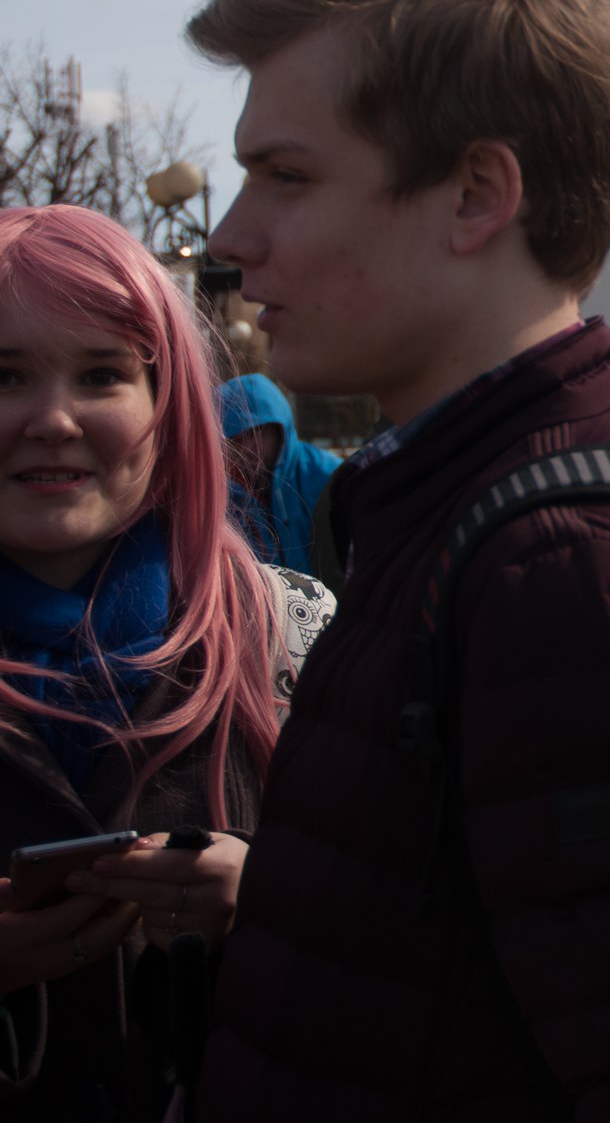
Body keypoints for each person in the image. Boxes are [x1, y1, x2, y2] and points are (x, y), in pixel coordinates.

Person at [181, 0, 610, 1120]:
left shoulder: (568, 578)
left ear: (478, 193)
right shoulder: (480, 511)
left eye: (285, 174)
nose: (230, 237)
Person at [0, 205, 331, 1121]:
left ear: (168, 403)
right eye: (5, 376)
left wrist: (273, 905)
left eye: (102, 373)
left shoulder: (298, 638)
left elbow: (437, 950)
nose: (53, 418)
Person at [214, 373, 339, 575]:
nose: (247, 448)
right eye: (236, 438)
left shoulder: (328, 476)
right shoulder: (222, 494)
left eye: (257, 433)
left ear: (280, 427)